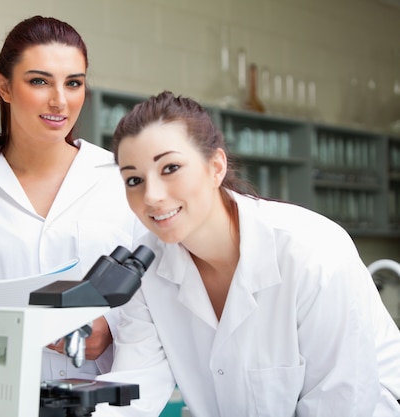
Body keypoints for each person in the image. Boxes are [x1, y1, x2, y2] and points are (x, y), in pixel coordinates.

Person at [92, 91, 400, 416]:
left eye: (170, 168)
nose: (151, 196)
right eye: (134, 179)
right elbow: (132, 395)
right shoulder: (148, 267)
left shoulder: (312, 252)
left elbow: (340, 405)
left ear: (216, 167)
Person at [0, 15, 144, 415]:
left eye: (73, 82)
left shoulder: (123, 185)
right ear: (5, 86)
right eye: (39, 81)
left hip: (98, 404)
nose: (59, 101)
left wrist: (111, 330)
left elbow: (160, 303)